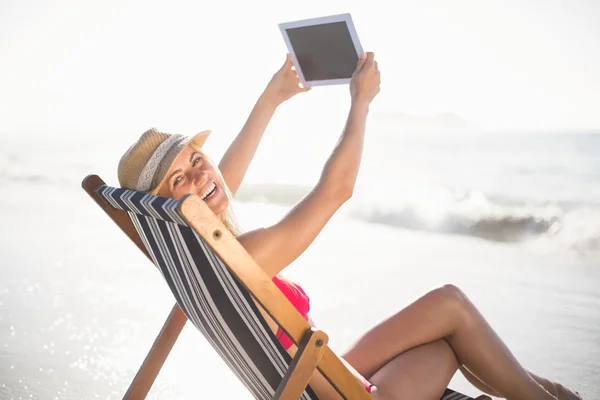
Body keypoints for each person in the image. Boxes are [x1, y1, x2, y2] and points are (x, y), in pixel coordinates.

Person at [116, 52, 582, 400]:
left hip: (317, 378)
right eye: (179, 178)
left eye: (198, 161)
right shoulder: (241, 259)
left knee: (448, 329)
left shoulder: (188, 249)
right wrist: (360, 104)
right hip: (338, 394)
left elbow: (217, 183)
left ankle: (547, 391)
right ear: (165, 200)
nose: (201, 176)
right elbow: (336, 190)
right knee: (450, 309)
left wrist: (271, 98)